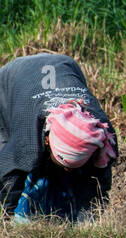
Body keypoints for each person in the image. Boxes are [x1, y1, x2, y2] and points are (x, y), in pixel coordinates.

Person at [0, 53, 117, 223]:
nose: (68, 169)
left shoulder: (100, 129)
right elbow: (8, 175)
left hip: (65, 65)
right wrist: (5, 217)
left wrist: (91, 214)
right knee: (19, 157)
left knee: (71, 176)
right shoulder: (27, 135)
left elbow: (100, 177)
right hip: (12, 80)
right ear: (47, 140)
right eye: (64, 163)